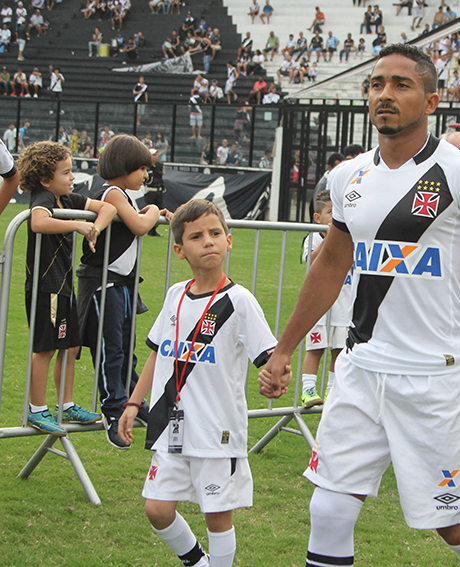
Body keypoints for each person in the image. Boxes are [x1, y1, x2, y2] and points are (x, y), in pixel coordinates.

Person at [258, 43, 460, 567]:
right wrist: (285, 348)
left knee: (457, 527)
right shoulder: (348, 176)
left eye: (401, 85)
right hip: (361, 369)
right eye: (377, 84)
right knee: (329, 508)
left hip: (435, 379)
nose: (385, 94)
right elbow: (331, 264)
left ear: (430, 101)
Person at [117, 200, 277, 567]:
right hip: (171, 428)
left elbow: (268, 355)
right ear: (179, 250)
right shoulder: (175, 295)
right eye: (196, 236)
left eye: (215, 233)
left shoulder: (239, 301)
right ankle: (198, 563)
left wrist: (274, 375)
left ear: (229, 241)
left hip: (216, 431)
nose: (208, 241)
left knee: (216, 516)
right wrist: (133, 403)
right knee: (157, 509)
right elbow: (158, 354)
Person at [76, 135, 168, 447]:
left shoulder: (124, 195)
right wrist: (154, 209)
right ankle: (113, 410)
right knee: (110, 350)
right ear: (123, 166)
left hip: (123, 285)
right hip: (103, 285)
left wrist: (153, 213)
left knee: (126, 348)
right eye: (141, 168)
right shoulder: (112, 193)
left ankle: (132, 400)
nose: (145, 175)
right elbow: (141, 226)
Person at [20, 141, 116, 436]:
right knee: (45, 348)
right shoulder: (43, 197)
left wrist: (94, 228)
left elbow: (108, 207)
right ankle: (36, 409)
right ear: (45, 179)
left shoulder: (68, 199)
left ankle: (67, 404)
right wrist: (76, 225)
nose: (72, 177)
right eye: (66, 172)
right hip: (45, 286)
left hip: (64, 286)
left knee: (71, 346)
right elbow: (38, 222)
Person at [299, 189, 353, 406]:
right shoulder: (313, 237)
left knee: (339, 350)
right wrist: (328, 240)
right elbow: (311, 261)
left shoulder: (349, 237)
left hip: (344, 306)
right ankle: (308, 390)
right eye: (331, 212)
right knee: (315, 349)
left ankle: (332, 390)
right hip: (319, 308)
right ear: (317, 217)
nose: (335, 216)